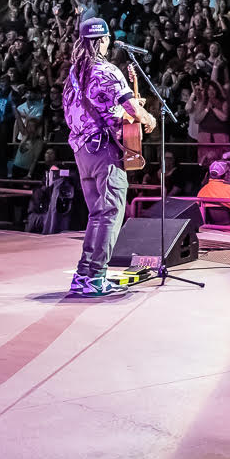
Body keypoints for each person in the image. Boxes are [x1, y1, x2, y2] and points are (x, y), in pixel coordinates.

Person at [61, 17, 157, 297]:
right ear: (102, 40)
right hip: (104, 150)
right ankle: (96, 277)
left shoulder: (74, 75)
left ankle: (84, 275)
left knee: (97, 215)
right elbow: (130, 107)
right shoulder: (106, 70)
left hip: (82, 151)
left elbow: (73, 112)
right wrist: (147, 117)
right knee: (111, 212)